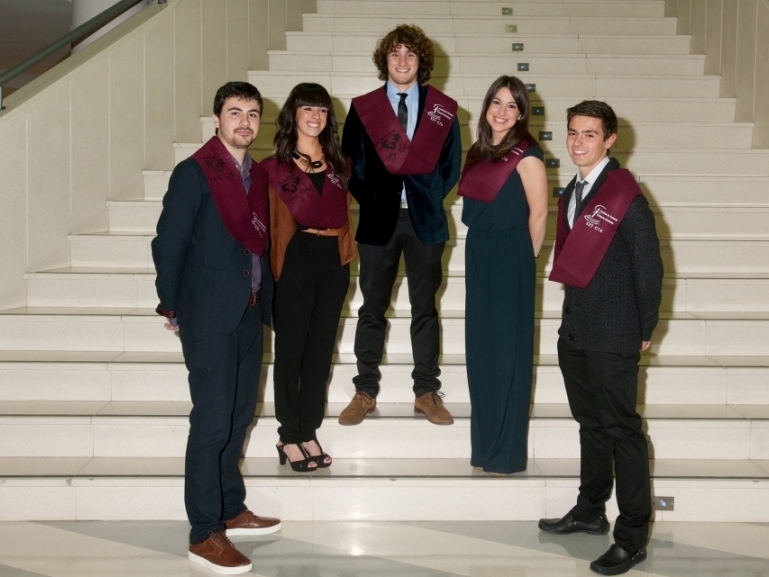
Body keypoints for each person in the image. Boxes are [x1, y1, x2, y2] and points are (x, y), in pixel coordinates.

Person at [152, 81, 281, 575]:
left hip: (248, 311)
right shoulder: (195, 172)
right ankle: (204, 531)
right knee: (211, 422)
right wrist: (171, 304)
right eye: (234, 112)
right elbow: (168, 243)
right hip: (208, 314)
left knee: (239, 414)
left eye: (252, 113)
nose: (244, 122)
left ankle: (229, 507)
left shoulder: (257, 175)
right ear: (217, 119)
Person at [538, 100, 663, 576]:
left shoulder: (625, 196)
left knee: (622, 433)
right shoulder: (573, 189)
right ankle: (590, 510)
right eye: (573, 132)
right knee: (590, 426)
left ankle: (631, 537)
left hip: (613, 334)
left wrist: (643, 329)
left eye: (589, 134)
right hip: (575, 331)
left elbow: (649, 267)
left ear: (609, 139)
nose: (578, 142)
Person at [339, 24, 462, 426]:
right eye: (395, 53)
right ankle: (364, 390)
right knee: (371, 308)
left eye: (410, 54)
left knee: (425, 308)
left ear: (421, 61)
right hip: (379, 222)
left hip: (425, 221)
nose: (403, 61)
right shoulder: (364, 108)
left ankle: (426, 391)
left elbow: (451, 166)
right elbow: (350, 164)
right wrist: (376, 198)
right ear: (385, 60)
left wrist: (427, 195)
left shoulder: (442, 109)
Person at [261, 83, 356, 471]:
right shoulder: (272, 168)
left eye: (322, 110)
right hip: (295, 256)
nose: (315, 116)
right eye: (307, 109)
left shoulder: (340, 165)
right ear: (293, 114)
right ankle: (288, 434)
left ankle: (308, 429)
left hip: (333, 259)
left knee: (320, 350)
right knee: (291, 350)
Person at [457, 76, 548, 474]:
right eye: (497, 102)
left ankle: (506, 453)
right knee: (480, 349)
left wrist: (525, 259)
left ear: (522, 113)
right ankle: (483, 448)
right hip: (478, 248)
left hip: (512, 252)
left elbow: (539, 213)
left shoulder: (528, 155)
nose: (502, 111)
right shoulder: (478, 152)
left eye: (512, 105)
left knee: (508, 353)